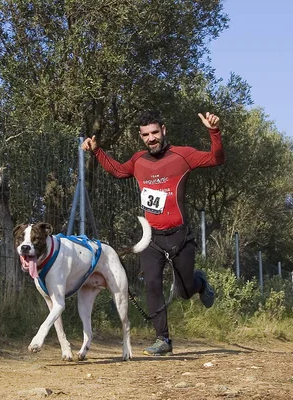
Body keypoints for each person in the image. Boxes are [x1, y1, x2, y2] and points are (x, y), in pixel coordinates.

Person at [81, 110, 224, 356]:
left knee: (184, 290)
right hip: (151, 237)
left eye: (155, 133)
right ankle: (163, 340)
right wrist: (96, 151)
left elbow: (216, 158)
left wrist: (214, 131)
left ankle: (199, 283)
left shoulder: (182, 155)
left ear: (164, 130)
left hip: (180, 236)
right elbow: (117, 170)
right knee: (152, 285)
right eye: (146, 135)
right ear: (141, 136)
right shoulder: (138, 161)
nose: (151, 138)